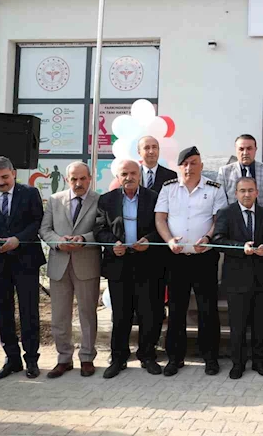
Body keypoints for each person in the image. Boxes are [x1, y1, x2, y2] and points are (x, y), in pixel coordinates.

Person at [156, 146, 227, 377]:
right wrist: (169, 240)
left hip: (204, 258)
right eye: (185, 164)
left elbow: (219, 219)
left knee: (208, 310)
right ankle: (175, 358)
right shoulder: (168, 188)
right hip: (176, 258)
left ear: (201, 165)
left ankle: (210, 358)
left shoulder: (214, 189)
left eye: (194, 163)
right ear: (179, 167)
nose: (189, 167)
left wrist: (207, 238)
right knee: (177, 310)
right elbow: (160, 218)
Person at [0, 156, 45, 380]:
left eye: (5, 177)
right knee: (3, 312)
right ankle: (12, 359)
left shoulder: (30, 193)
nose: (0, 182)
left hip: (26, 260)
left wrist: (18, 239)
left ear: (13, 173)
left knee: (29, 311)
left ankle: (32, 359)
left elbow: (37, 222)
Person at [94, 159, 162, 378]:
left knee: (148, 313)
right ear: (118, 177)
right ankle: (119, 357)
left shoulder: (154, 197)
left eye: (133, 173)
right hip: (119, 263)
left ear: (139, 175)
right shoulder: (106, 200)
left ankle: (147, 355)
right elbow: (99, 229)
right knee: (121, 314)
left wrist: (149, 240)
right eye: (124, 174)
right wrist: (112, 245)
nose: (129, 177)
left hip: (147, 263)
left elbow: (162, 227)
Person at [38, 162, 100, 379]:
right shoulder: (55, 200)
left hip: (87, 264)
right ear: (67, 180)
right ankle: (64, 358)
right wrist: (58, 242)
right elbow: (44, 229)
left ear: (90, 178)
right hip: (59, 264)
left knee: (87, 314)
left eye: (82, 178)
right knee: (59, 315)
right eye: (74, 179)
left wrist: (84, 239)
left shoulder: (99, 200)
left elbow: (102, 229)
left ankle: (87, 358)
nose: (78, 183)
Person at [213, 176, 263, 379]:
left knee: (260, 324)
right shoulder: (226, 213)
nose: (247, 194)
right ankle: (238, 363)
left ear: (257, 192)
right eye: (242, 191)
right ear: (236, 193)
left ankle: (259, 361)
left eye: (250, 190)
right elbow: (218, 240)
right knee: (237, 325)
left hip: (261, 278)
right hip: (236, 279)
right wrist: (241, 248)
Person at [136, 135, 177, 349]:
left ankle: (152, 346)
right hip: (133, 247)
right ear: (139, 152)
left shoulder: (170, 176)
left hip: (159, 246)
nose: (151, 151)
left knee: (156, 300)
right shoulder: (131, 173)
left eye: (155, 147)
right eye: (147, 148)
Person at [217, 134, 263, 208]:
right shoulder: (225, 172)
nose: (245, 153)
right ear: (236, 150)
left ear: (255, 149)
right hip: (233, 214)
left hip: (262, 214)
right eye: (241, 149)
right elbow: (220, 200)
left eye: (249, 148)